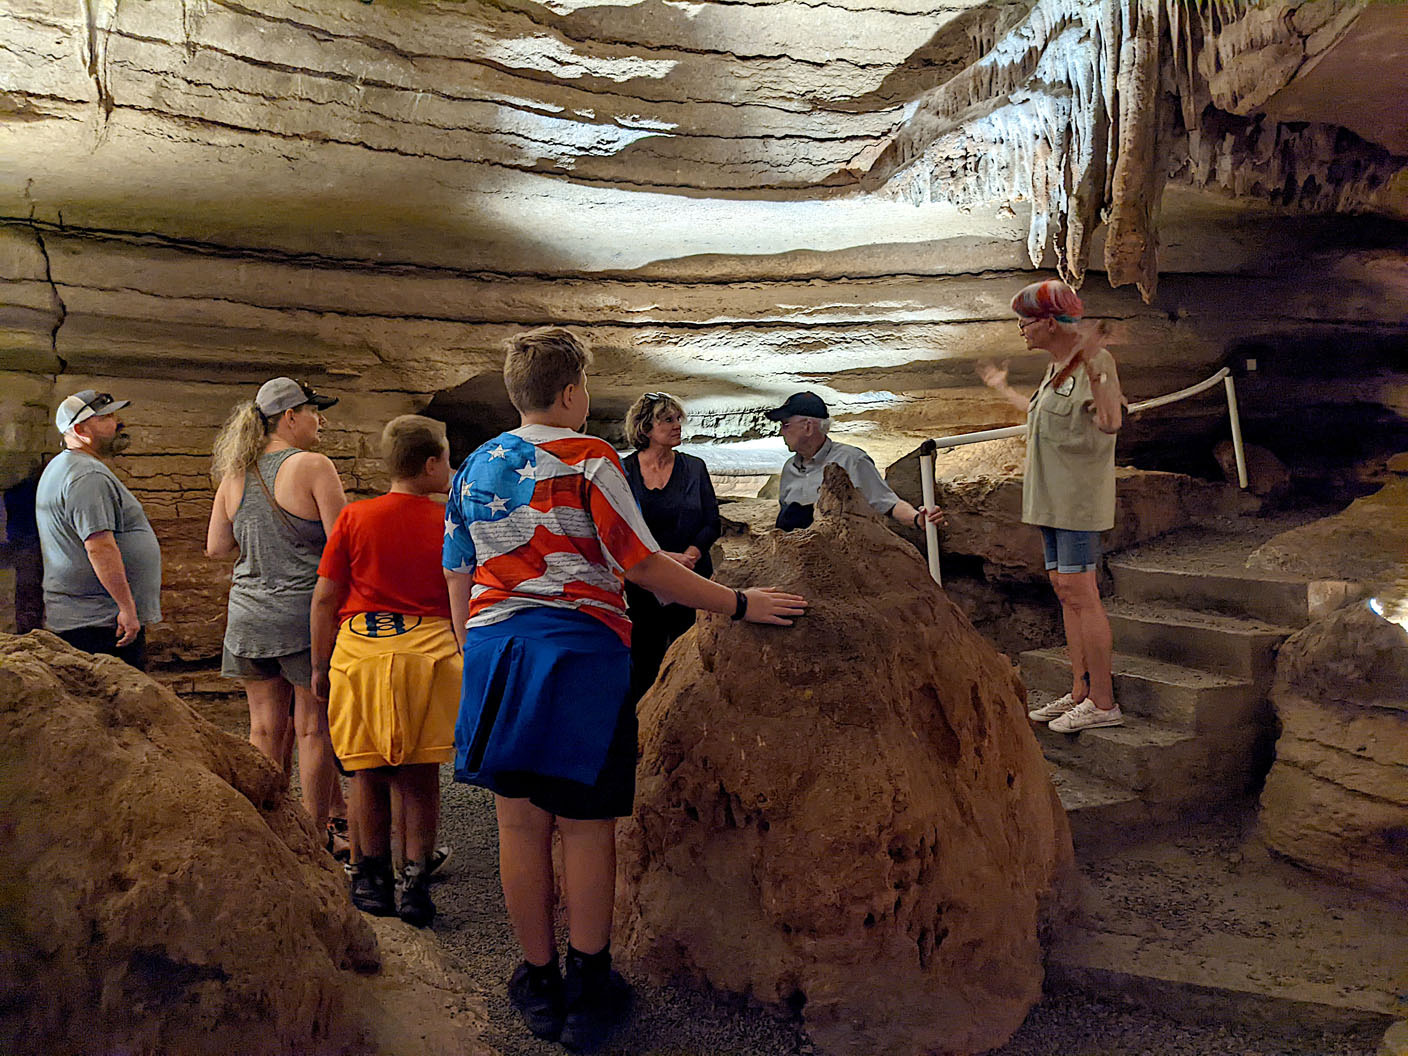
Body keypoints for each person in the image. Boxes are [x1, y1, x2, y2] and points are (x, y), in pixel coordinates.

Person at [443, 327, 806, 1052]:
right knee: (585, 828)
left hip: (496, 650)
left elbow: (457, 565)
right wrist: (735, 603)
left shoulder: (476, 464)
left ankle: (537, 979)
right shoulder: (590, 456)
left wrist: (470, 643)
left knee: (518, 826)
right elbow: (640, 563)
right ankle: (590, 984)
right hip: (578, 654)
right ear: (573, 393)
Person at [310, 415, 460, 928]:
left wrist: (319, 663)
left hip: (362, 654)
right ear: (430, 463)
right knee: (420, 775)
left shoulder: (355, 518)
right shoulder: (450, 521)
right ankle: (416, 882)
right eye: (447, 457)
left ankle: (369, 879)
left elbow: (326, 597)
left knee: (366, 770)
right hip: (430, 653)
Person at [977, 278, 1125, 733]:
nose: (1021, 329)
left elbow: (1110, 421)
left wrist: (1095, 369)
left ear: (1049, 323)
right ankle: (1078, 691)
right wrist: (1002, 389)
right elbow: (1042, 414)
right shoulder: (1058, 368)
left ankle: (1103, 702)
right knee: (1064, 592)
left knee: (1082, 593)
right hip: (1050, 500)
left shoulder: (1094, 363)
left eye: (1026, 321)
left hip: (1076, 501)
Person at [205, 377, 347, 846]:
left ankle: (264, 834)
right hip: (304, 617)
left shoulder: (235, 473)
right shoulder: (313, 466)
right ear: (290, 417)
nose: (319, 420)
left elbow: (217, 546)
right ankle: (314, 833)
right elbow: (344, 546)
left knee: (263, 728)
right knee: (312, 729)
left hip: (247, 615)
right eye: (313, 411)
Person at [35, 390, 161, 670]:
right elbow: (99, 546)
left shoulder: (67, 467)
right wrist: (127, 609)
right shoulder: (86, 476)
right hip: (100, 625)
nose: (118, 423)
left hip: (91, 620)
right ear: (80, 430)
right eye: (106, 418)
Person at [620, 391, 721, 704]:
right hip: (643, 581)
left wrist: (690, 555)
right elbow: (620, 528)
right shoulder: (623, 472)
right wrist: (662, 558)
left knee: (690, 653)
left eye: (678, 419)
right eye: (667, 420)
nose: (677, 425)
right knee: (643, 658)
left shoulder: (694, 468)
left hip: (691, 576)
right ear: (645, 428)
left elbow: (711, 521)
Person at [768, 391, 942, 533]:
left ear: (807, 426)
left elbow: (887, 502)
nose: (781, 432)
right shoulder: (790, 467)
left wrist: (918, 520)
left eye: (786, 424)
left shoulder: (852, 460)